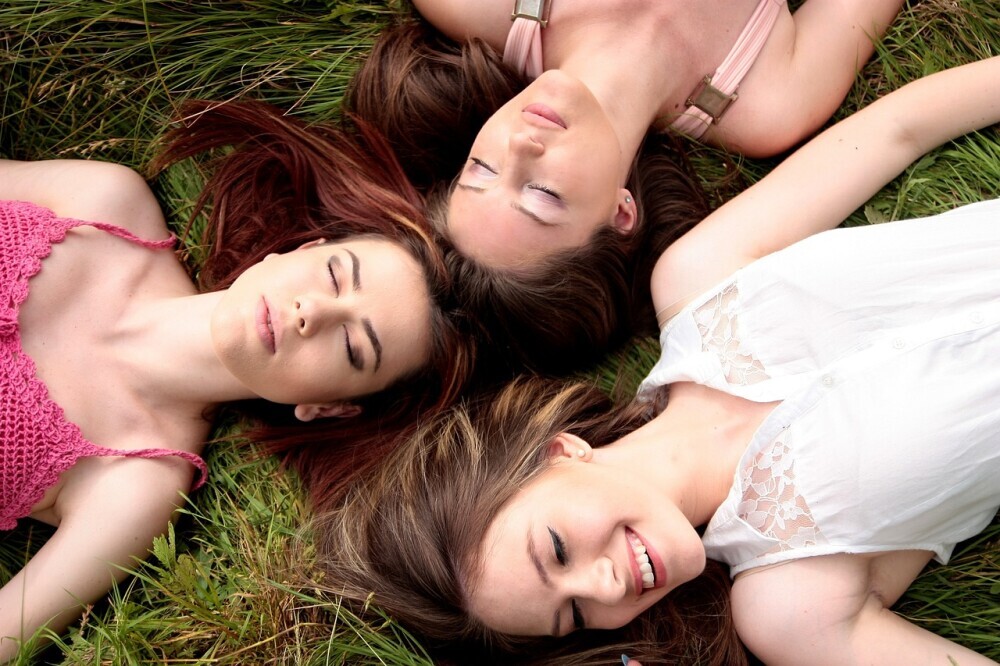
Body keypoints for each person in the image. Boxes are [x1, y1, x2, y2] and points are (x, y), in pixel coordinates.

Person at [316, 55, 1000, 665]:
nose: (606, 585)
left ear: (557, 451)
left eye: (557, 550)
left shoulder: (697, 281)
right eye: (575, 615)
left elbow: (898, 130)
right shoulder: (791, 604)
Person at [0, 101, 471, 661]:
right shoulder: (105, 202)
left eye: (351, 346)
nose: (311, 313)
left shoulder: (137, 482)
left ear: (329, 405)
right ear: (300, 250)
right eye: (334, 275)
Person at [343, 1, 903, 375]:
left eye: (482, 171)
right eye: (542, 195)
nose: (519, 146)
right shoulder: (765, 103)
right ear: (621, 214)